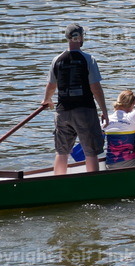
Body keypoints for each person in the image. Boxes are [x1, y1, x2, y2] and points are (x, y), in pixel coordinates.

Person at [42, 23, 110, 175]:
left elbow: (51, 86)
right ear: (81, 38)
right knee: (90, 151)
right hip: (84, 110)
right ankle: (92, 182)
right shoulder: (88, 59)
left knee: (62, 151)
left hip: (62, 112)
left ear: (67, 38)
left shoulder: (57, 60)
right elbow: (96, 89)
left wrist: (47, 100)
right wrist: (104, 111)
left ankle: (58, 181)